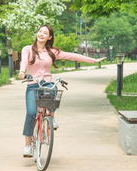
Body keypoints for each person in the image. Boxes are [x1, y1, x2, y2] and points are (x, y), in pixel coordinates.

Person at [17, 24, 106, 157]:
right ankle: (28, 145)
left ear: (49, 37)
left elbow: (72, 56)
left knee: (54, 92)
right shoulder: (28, 49)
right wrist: (22, 72)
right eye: (40, 31)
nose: (41, 34)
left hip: (47, 83)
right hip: (32, 84)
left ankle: (51, 118)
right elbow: (23, 62)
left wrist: (93, 60)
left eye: (45, 33)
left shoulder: (52, 52)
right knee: (31, 113)